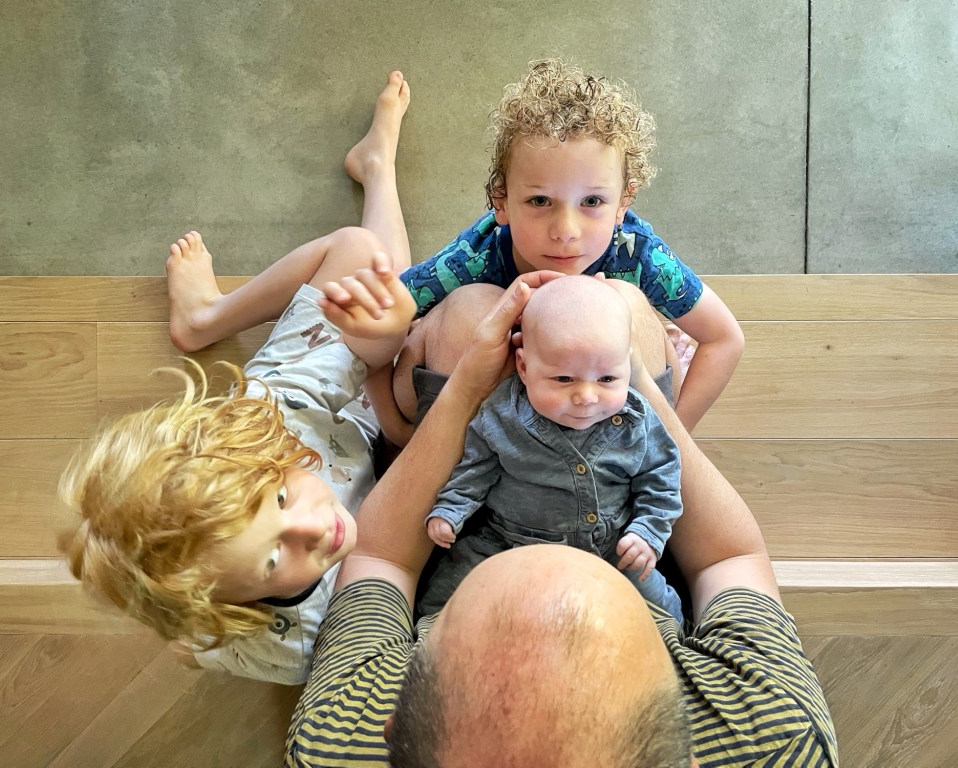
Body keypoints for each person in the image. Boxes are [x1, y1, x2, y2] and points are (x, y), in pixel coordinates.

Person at [285, 276, 838, 766]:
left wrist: (467, 386)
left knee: (472, 311)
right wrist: (633, 378)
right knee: (623, 301)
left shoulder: (340, 739)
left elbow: (381, 559)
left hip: (467, 547)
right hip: (637, 552)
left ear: (392, 732)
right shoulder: (773, 736)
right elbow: (730, 558)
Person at [58, 72, 418, 685]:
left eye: (279, 501)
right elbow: (198, 643)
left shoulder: (263, 430)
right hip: (383, 468)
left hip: (305, 421)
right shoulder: (295, 644)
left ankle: (207, 317)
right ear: (232, 606)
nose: (314, 527)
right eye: (274, 559)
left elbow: (365, 357)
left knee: (368, 263)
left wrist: (388, 331)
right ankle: (375, 165)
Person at [391, 58, 744, 436]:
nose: (565, 231)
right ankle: (379, 166)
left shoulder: (635, 252)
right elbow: (388, 316)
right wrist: (396, 430)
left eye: (591, 202)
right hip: (487, 419)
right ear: (501, 202)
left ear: (623, 203)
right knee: (443, 314)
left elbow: (724, 339)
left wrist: (674, 441)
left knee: (631, 311)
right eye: (540, 201)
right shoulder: (477, 255)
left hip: (601, 421)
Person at [421, 275, 683, 622]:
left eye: (607, 379)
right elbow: (475, 468)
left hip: (610, 545)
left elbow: (662, 478)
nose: (586, 397)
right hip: (508, 541)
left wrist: (648, 531)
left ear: (627, 366)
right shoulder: (503, 414)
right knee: (447, 592)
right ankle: (432, 630)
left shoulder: (636, 420)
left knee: (659, 608)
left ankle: (670, 633)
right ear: (524, 367)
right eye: (563, 379)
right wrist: (452, 508)